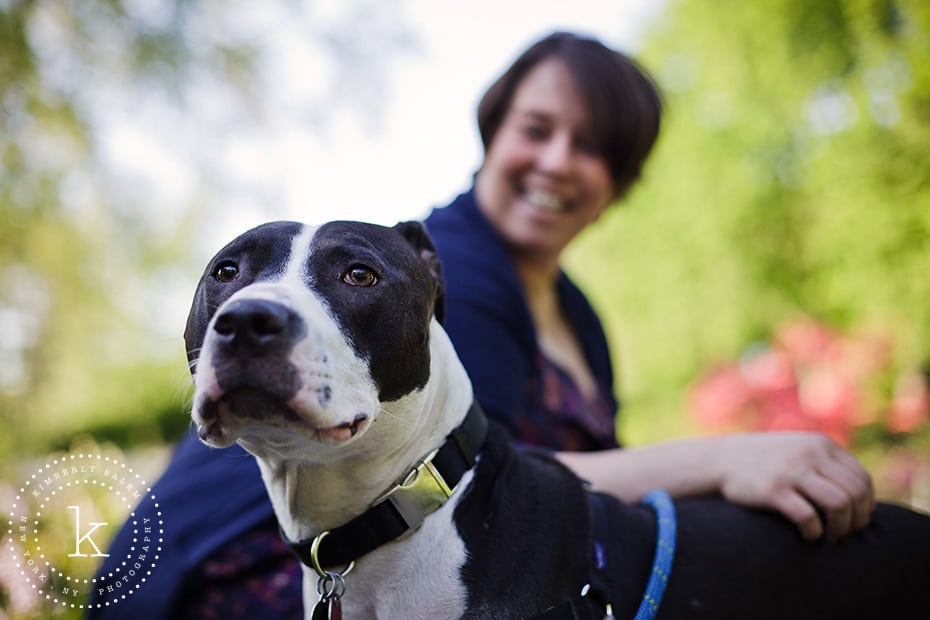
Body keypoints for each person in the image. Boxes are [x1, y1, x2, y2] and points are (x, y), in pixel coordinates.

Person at [87, 31, 875, 620]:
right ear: (494, 134)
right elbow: (484, 477)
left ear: (621, 182)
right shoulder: (445, 270)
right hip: (243, 569)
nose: (557, 160)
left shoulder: (577, 317)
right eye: (536, 129)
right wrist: (729, 459)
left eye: (593, 146)